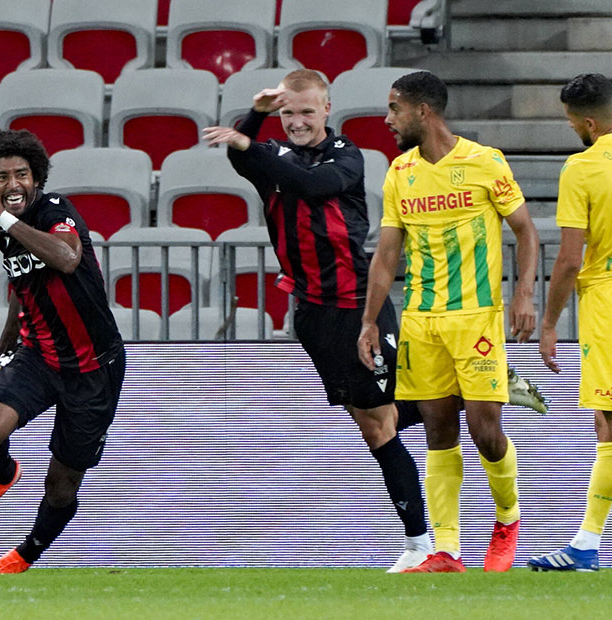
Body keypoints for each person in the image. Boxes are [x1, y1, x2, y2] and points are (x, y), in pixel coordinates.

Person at [203, 69, 434, 572]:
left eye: (307, 111)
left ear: (327, 109)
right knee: (375, 416)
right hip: (312, 313)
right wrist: (256, 119)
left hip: (358, 305)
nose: (298, 122)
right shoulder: (273, 156)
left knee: (379, 425)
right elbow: (242, 156)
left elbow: (310, 185)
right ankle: (464, 392)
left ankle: (419, 543)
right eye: (288, 113)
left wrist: (252, 141)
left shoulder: (348, 156)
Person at [357, 70, 540, 573]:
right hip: (421, 320)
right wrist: (369, 321)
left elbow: (525, 232)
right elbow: (386, 254)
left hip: (476, 317)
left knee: (485, 432)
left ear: (423, 111)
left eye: (394, 108)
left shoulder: (485, 162)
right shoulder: (400, 172)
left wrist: (524, 294)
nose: (387, 118)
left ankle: (507, 520)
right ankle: (448, 549)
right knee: (438, 432)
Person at [0, 128, 125, 574]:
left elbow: (67, 259)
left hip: (94, 365)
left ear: (37, 178)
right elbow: (22, 287)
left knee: (61, 485)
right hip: (39, 355)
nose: (13, 184)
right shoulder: (5, 226)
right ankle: (2, 474)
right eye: (1, 176)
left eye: (22, 174)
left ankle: (23, 556)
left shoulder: (55, 210)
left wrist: (5, 219)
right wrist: (1, 352)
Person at [528, 73, 612, 572]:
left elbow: (570, 261)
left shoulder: (582, 169)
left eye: (569, 122)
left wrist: (549, 323)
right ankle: (585, 542)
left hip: (606, 302)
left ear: (587, 122)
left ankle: (585, 544)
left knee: (609, 426)